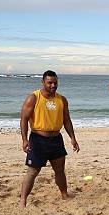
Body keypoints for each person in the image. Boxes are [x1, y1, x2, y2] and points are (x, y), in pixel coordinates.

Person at [19, 70, 80, 207]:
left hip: (56, 140)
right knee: (33, 171)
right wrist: (24, 139)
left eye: (55, 83)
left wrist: (73, 138)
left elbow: (67, 120)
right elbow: (24, 119)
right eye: (50, 83)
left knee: (59, 170)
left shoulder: (61, 99)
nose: (53, 85)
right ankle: (23, 200)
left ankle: (64, 194)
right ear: (43, 82)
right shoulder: (34, 98)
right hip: (38, 139)